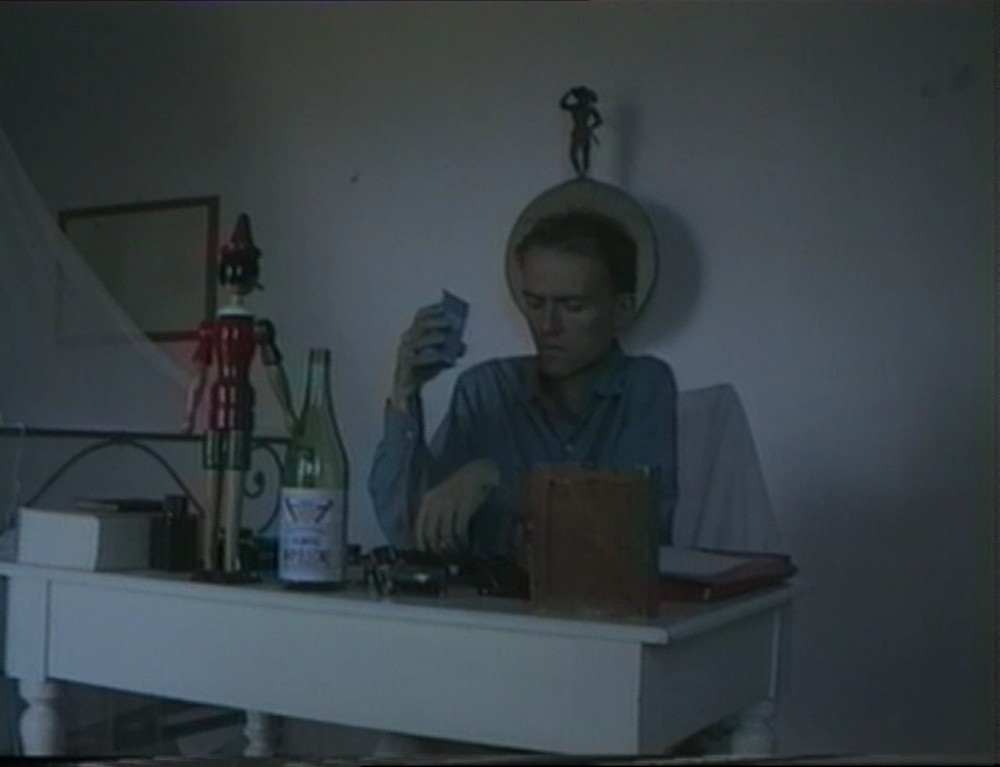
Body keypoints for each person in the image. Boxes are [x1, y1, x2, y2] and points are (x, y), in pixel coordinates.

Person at [368, 208, 677, 560]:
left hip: (603, 597)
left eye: (572, 306)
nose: (547, 325)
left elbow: (633, 527)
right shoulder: (486, 389)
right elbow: (409, 532)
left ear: (621, 309)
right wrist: (405, 394)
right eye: (534, 303)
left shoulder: (645, 384)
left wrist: (497, 480)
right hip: (485, 596)